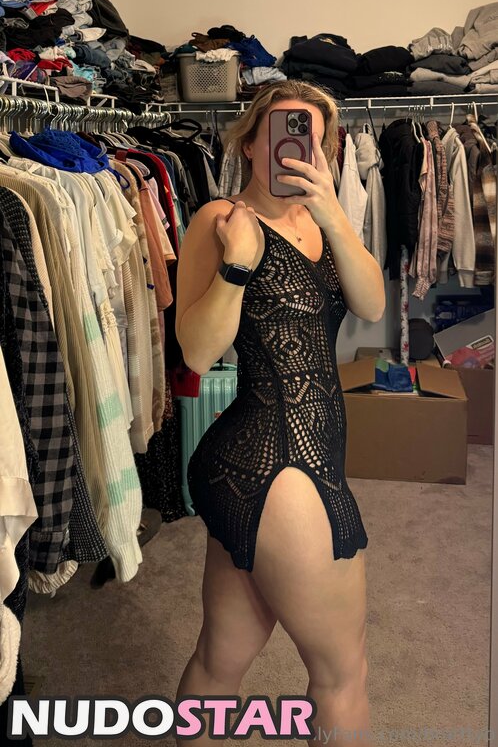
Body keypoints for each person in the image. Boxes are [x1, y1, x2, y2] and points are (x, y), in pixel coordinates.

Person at [174, 80, 385, 746]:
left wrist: (333, 215)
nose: (296, 150)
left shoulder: (322, 220)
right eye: (282, 133)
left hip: (282, 458)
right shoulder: (219, 220)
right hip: (279, 463)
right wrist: (237, 266)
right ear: (249, 143)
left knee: (221, 658)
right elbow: (196, 352)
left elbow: (372, 306)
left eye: (312, 138)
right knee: (343, 674)